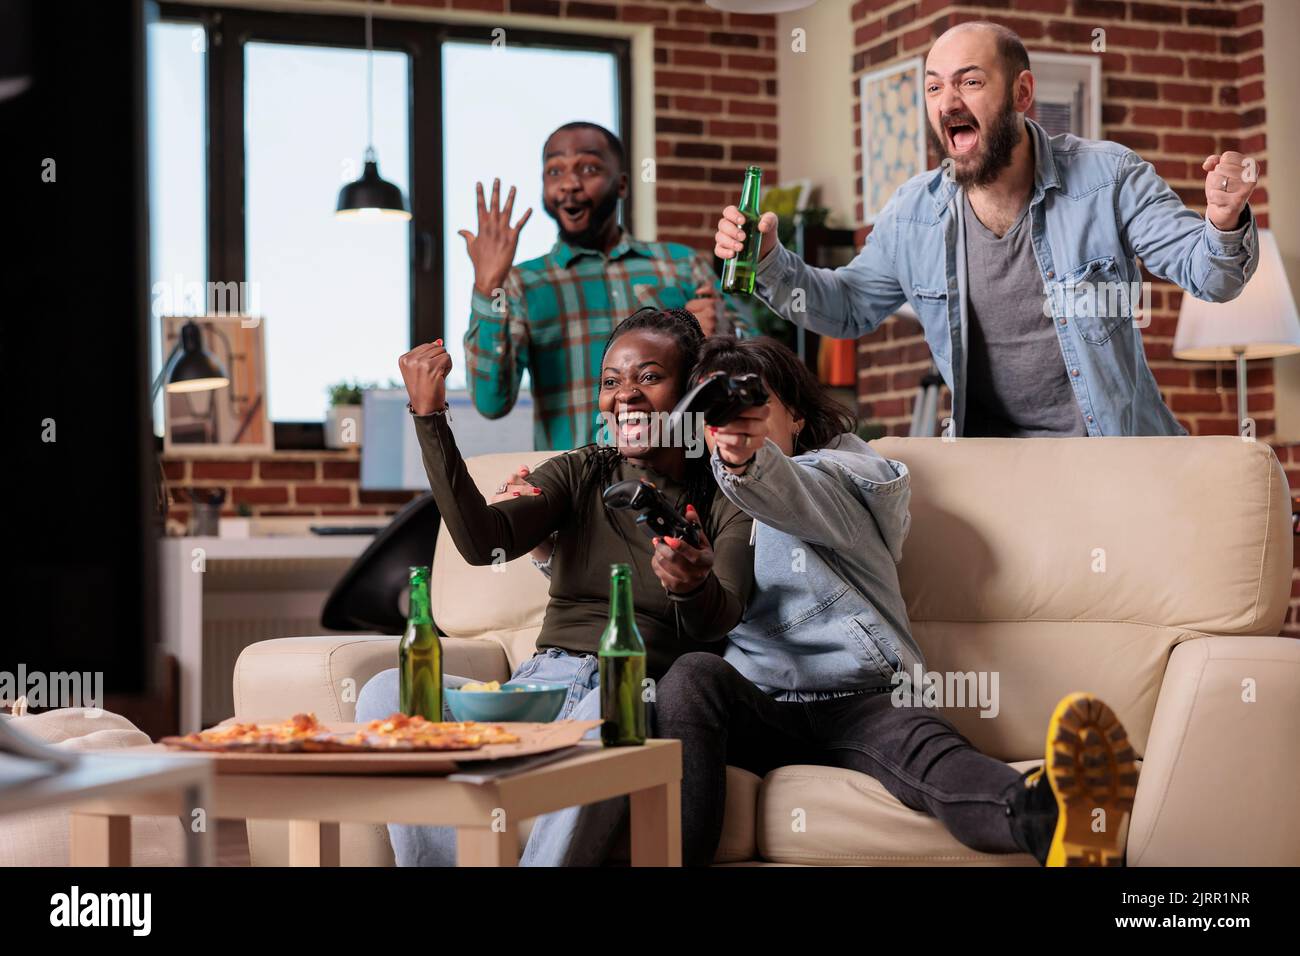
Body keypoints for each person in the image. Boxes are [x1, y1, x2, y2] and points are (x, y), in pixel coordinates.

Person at [653, 335, 1138, 866]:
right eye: (715, 414)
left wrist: (748, 461)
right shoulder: (709, 506)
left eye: (752, 405)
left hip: (865, 698)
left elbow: (793, 491)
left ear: (794, 416)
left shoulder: (845, 475)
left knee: (932, 756)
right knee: (692, 676)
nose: (733, 425)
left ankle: (1048, 818)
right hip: (766, 706)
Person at [714, 20, 1260, 438]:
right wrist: (768, 261)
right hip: (993, 473)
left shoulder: (1107, 177)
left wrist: (1222, 219)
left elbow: (1213, 279)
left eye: (970, 82)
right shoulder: (913, 214)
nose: (948, 102)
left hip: (1116, 458)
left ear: (1022, 94)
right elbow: (848, 307)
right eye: (933, 89)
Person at [355, 307, 753, 866]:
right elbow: (482, 541)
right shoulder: (583, 471)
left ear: (690, 393)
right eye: (611, 382)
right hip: (539, 689)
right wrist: (430, 416)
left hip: (626, 697)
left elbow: (722, 619)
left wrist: (691, 586)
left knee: (617, 702)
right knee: (384, 694)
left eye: (649, 377)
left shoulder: (726, 497)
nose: (626, 396)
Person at [461, 121, 734, 450]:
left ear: (621, 184)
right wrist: (488, 288)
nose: (570, 184)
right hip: (574, 491)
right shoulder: (523, 285)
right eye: (554, 172)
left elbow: (750, 373)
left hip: (680, 484)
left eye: (588, 168)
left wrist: (721, 336)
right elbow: (491, 403)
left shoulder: (682, 267)